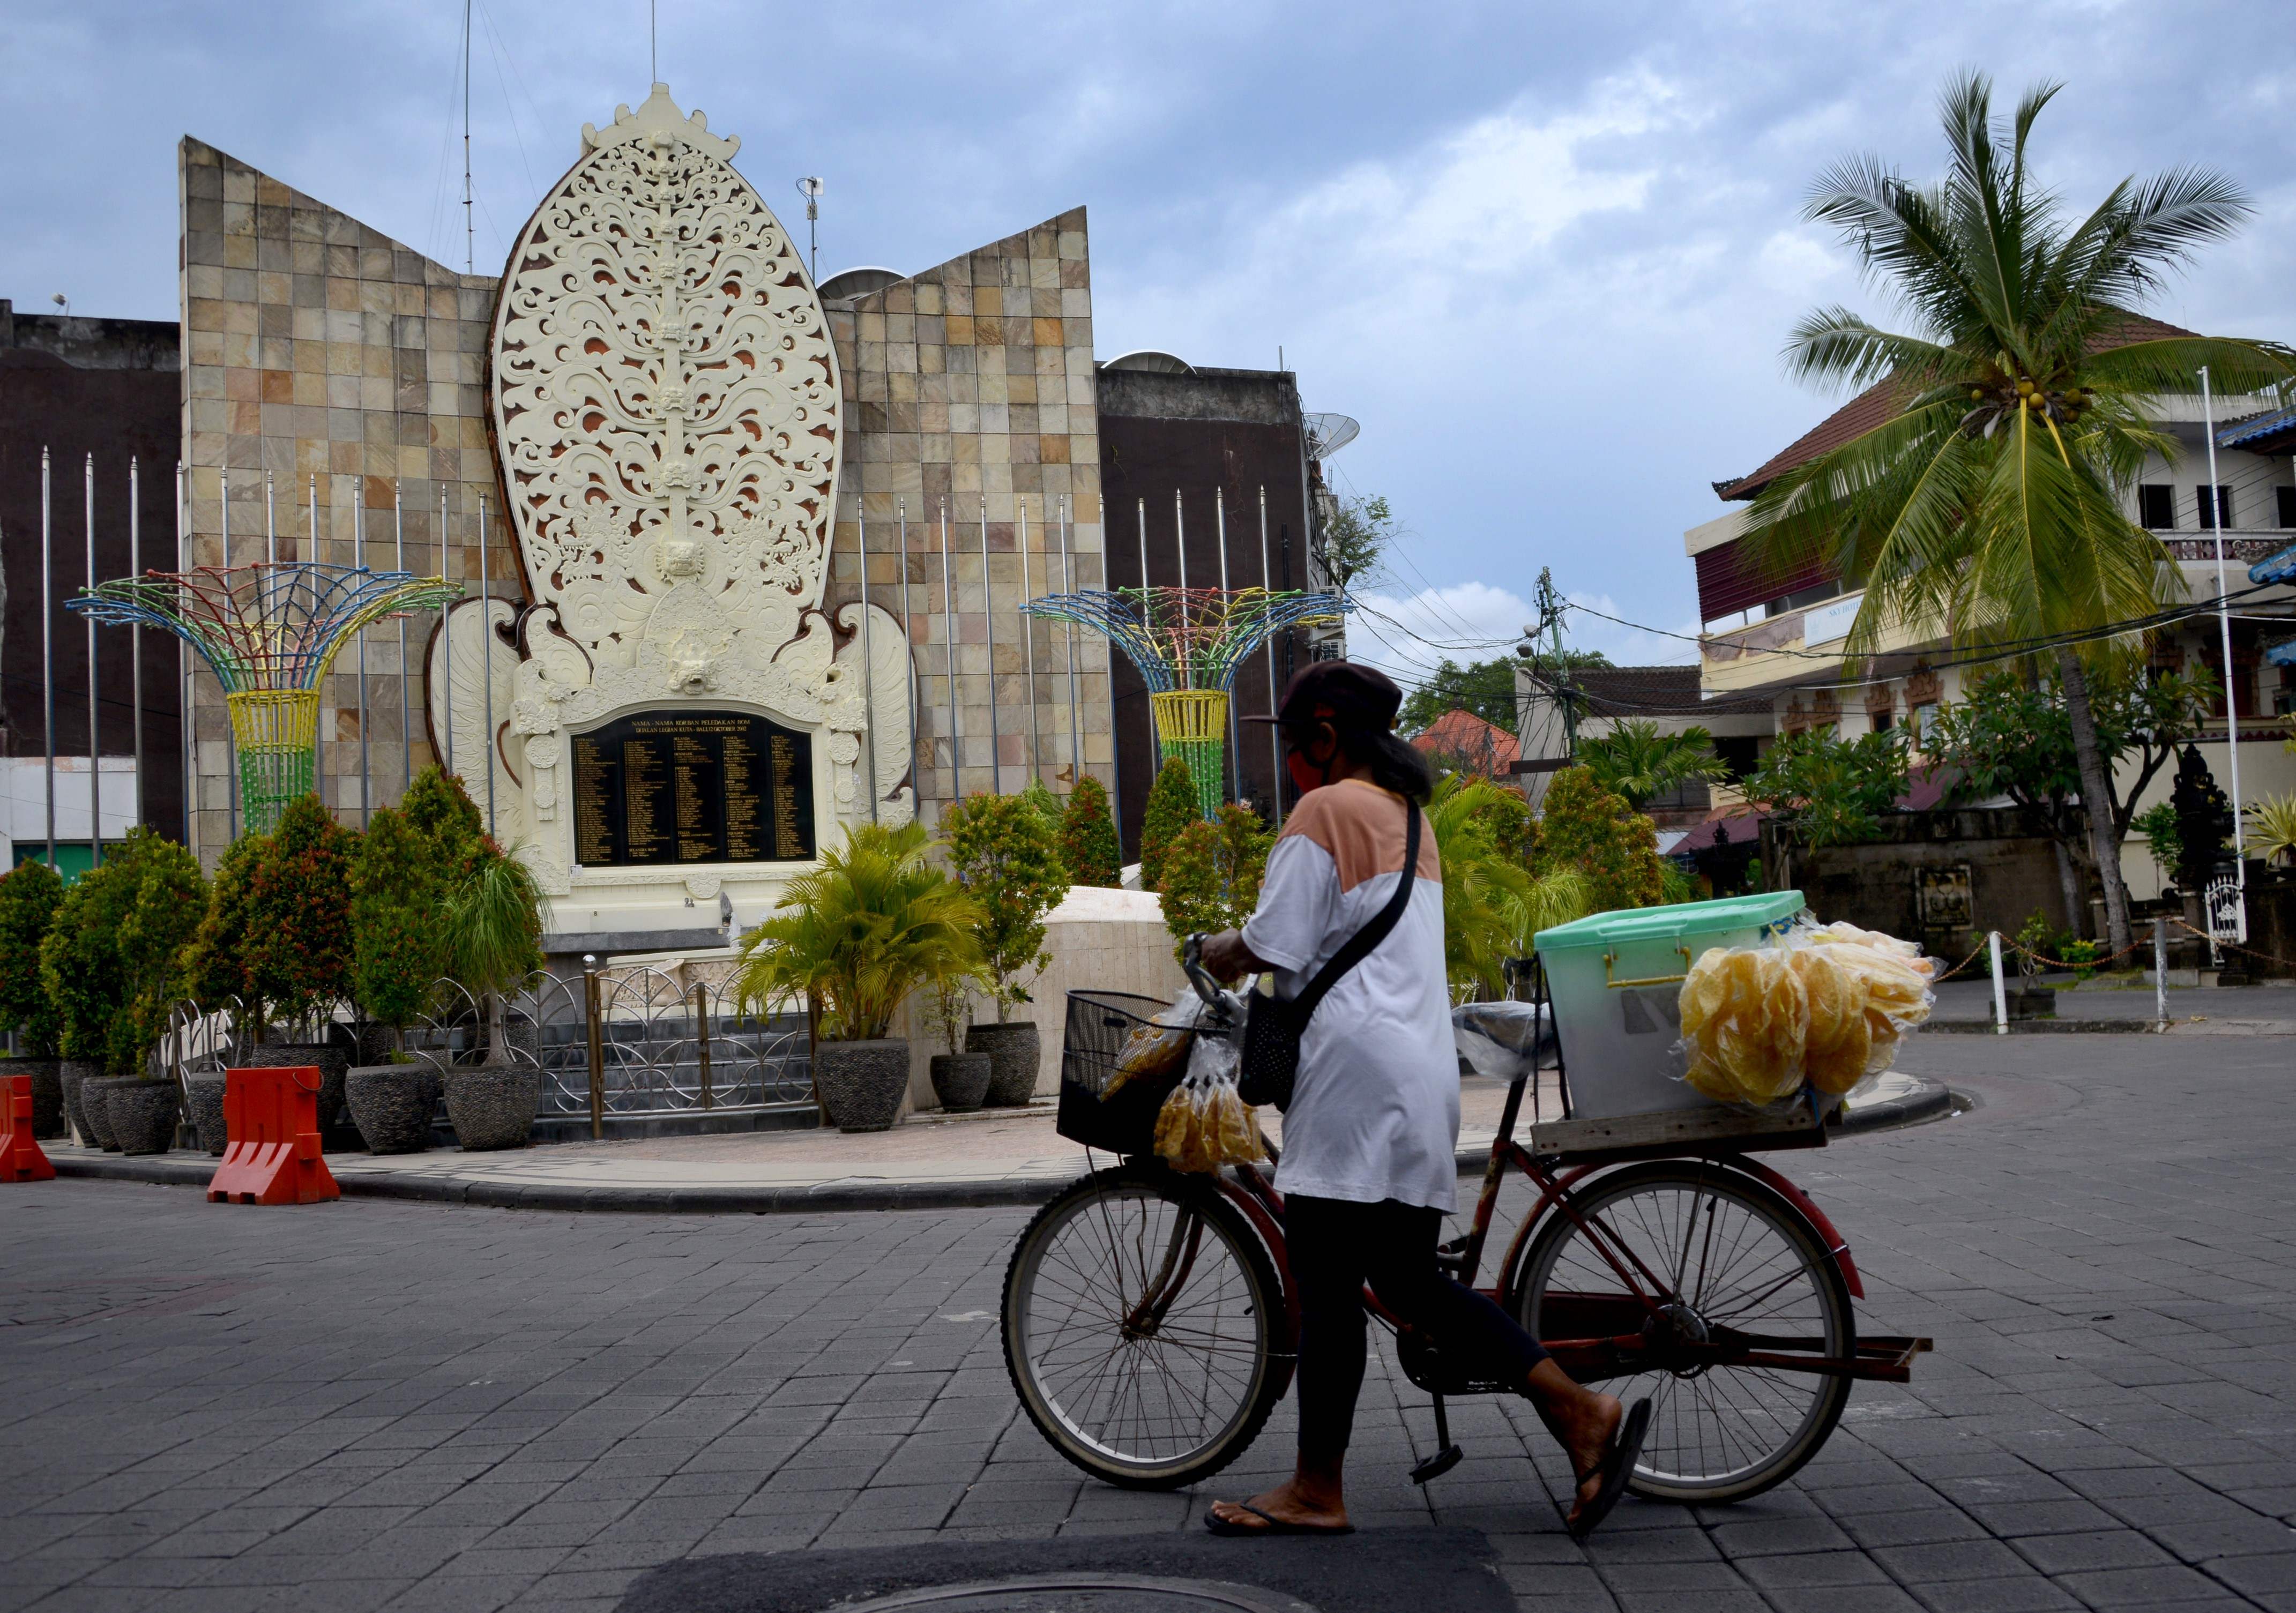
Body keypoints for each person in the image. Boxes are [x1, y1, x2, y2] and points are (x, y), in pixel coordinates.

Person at [1197, 661, 1648, 1542]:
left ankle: (1317, 1490)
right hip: (1420, 1072)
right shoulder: (1412, 818)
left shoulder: (1324, 811)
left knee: (1328, 1287)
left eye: (1295, 743)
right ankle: (1580, 1413)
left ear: (1325, 739)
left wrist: (1222, 946)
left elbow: (1275, 940)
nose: (1292, 761)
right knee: (1406, 1279)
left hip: (1351, 1078)